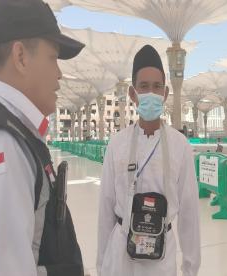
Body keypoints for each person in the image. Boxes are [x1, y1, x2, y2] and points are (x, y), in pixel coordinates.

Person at [0, 0, 85, 275]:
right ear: (21, 56)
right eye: (53, 57)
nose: (60, 74)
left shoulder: (16, 134)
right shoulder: (2, 145)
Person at [97, 45, 201, 276]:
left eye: (157, 87)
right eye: (144, 86)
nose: (151, 93)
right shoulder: (117, 144)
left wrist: (191, 268)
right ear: (133, 94)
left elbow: (189, 211)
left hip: (161, 255)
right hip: (121, 252)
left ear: (165, 93)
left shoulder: (179, 144)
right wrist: (101, 264)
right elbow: (105, 208)